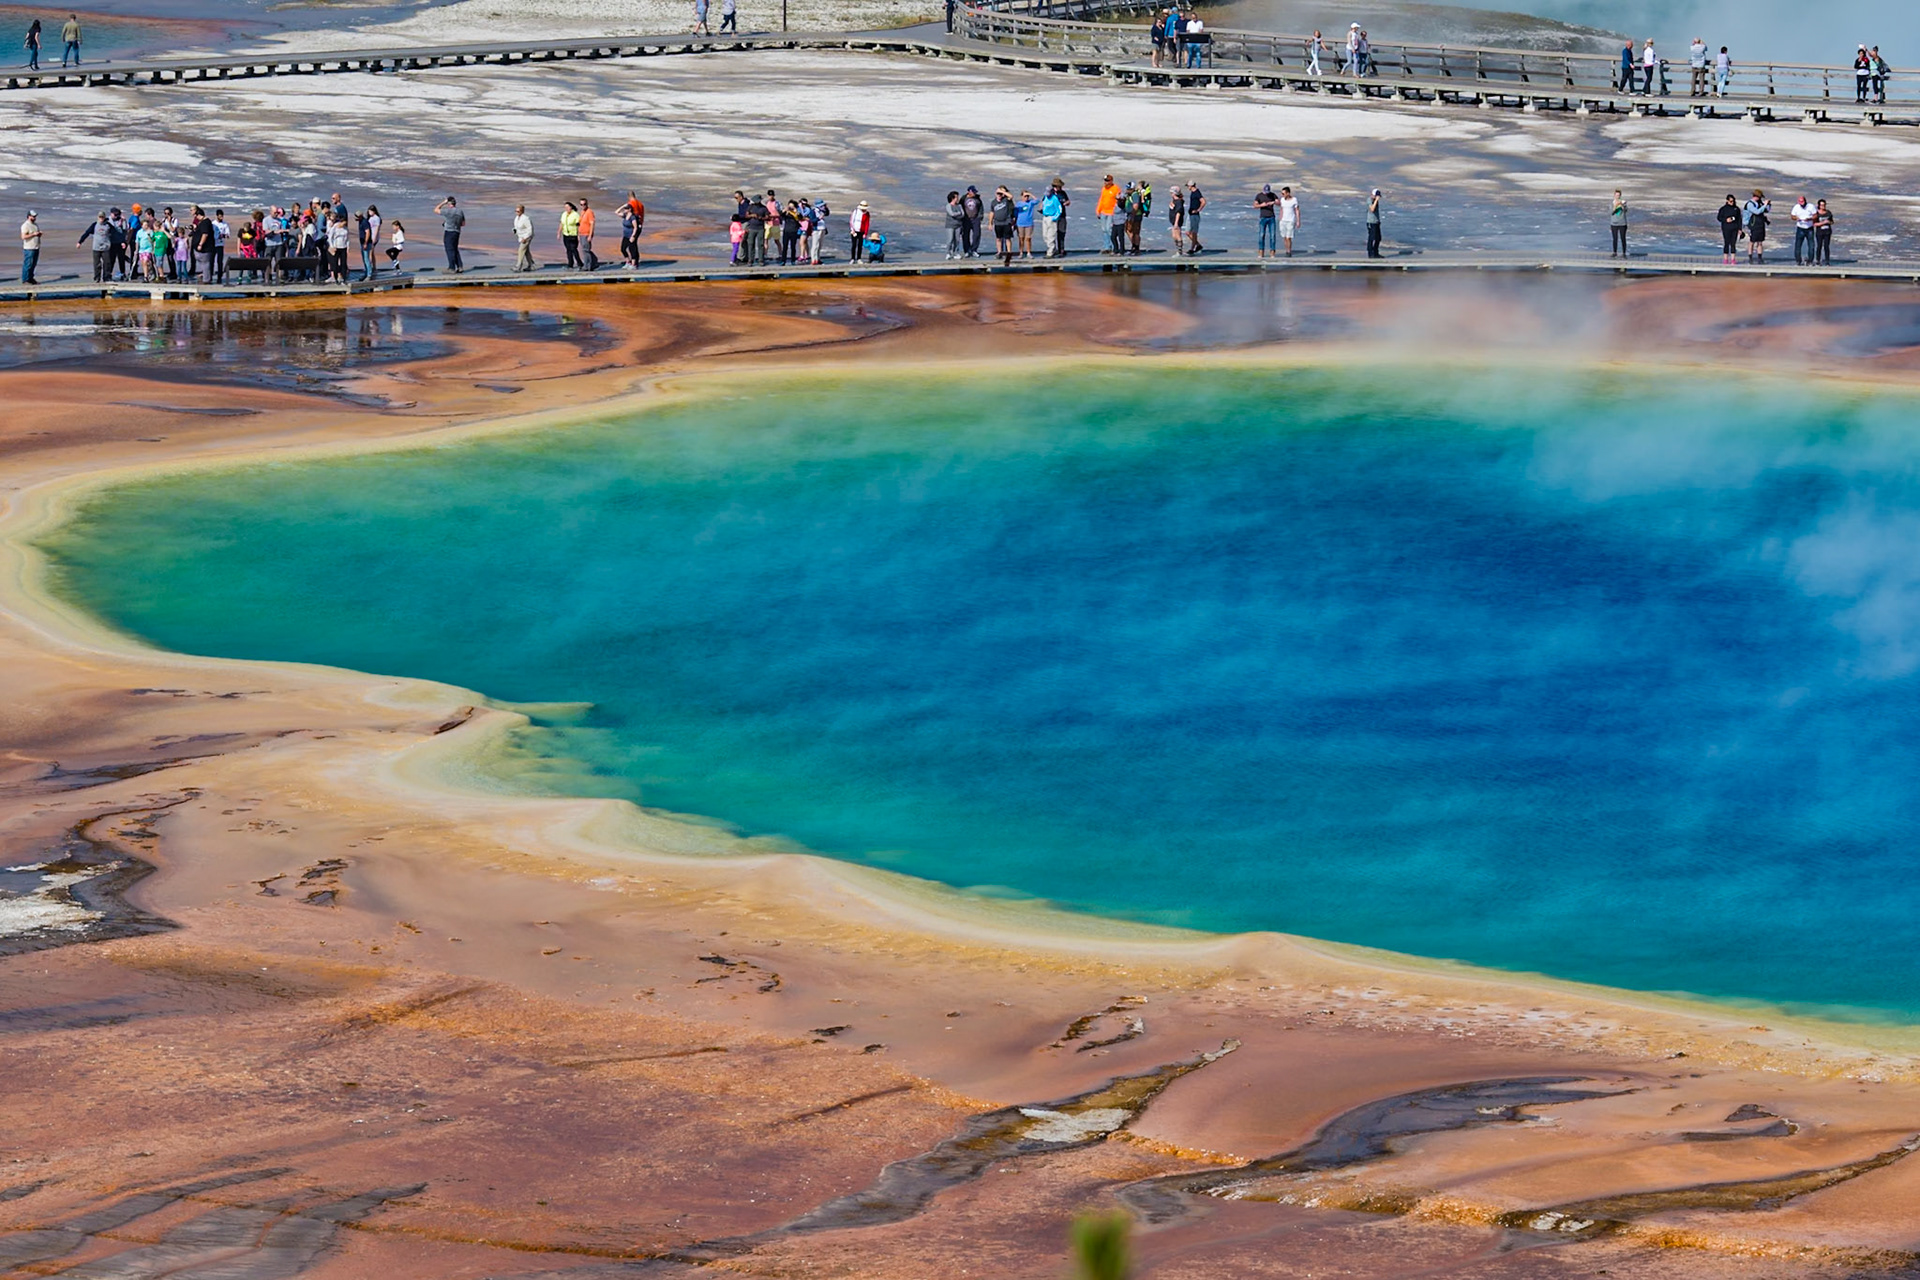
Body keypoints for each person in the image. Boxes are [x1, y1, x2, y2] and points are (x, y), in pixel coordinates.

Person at [79, 210, 112, 281]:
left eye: (102, 217)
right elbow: (87, 233)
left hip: (105, 247)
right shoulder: (94, 225)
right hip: (96, 248)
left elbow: (115, 234)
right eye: (100, 217)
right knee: (97, 264)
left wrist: (122, 242)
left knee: (107, 264)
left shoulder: (108, 225)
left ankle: (106, 277)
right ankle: (97, 278)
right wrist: (80, 242)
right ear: (98, 217)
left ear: (104, 217)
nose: (101, 218)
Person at [435, 196, 464, 272]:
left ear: (449, 204)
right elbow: (463, 223)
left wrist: (443, 202)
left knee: (449, 249)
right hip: (457, 231)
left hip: (449, 232)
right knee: (455, 249)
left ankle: (451, 267)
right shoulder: (460, 211)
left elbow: (436, 209)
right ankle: (460, 266)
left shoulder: (448, 211)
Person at [990, 185, 1015, 265]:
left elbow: (1011, 196)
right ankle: (999, 252)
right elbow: (992, 212)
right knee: (998, 238)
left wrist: (1002, 191)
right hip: (997, 222)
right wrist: (990, 223)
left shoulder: (1006, 200)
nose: (999, 195)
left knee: (1008, 238)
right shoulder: (993, 202)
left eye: (1000, 194)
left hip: (1006, 221)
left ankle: (1009, 252)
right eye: (998, 194)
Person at [1742, 189, 1769, 263]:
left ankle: (1760, 258)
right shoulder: (1750, 204)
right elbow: (1757, 212)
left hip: (1760, 224)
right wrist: (1765, 205)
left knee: (1760, 242)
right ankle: (1750, 258)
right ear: (1756, 196)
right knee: (1752, 242)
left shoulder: (1759, 203)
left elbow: (1766, 210)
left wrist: (1768, 205)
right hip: (1752, 224)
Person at [1097, 175, 1122, 254]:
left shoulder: (1115, 188)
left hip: (1111, 212)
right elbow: (1102, 199)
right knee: (1104, 230)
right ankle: (1106, 246)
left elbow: (1119, 200)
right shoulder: (1104, 189)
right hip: (1103, 212)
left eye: (1107, 181)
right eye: (1105, 181)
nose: (1106, 182)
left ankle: (1112, 246)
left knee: (1108, 229)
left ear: (1111, 181)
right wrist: (1098, 210)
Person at [1715, 193, 1742, 263]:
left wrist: (1740, 229)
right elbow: (1719, 218)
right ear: (1727, 201)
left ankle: (1733, 259)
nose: (1732, 202)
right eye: (1730, 201)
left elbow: (1739, 219)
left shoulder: (1736, 209)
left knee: (1733, 244)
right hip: (1726, 228)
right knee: (1726, 243)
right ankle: (1725, 259)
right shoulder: (1723, 209)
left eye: (1733, 201)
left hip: (1735, 228)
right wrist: (1726, 220)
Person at [1045, 179, 1069, 257]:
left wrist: (1066, 203)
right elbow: (1044, 201)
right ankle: (1053, 249)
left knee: (1061, 232)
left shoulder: (1063, 193)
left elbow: (1068, 201)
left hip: (1061, 216)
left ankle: (1061, 249)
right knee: (1051, 234)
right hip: (1053, 216)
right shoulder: (1050, 194)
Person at [1790, 195, 1816, 264]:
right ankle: (1798, 260)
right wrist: (1796, 218)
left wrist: (1810, 219)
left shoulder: (1811, 206)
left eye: (1803, 202)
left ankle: (1810, 260)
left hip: (1809, 228)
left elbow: (1815, 215)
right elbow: (1792, 216)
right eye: (1800, 202)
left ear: (1805, 201)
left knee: (1811, 245)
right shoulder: (1796, 207)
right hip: (1800, 228)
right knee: (1798, 245)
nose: (1802, 203)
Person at [1254, 183, 1277, 257]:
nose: (1266, 194)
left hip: (1271, 217)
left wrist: (1272, 202)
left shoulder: (1272, 195)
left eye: (1268, 192)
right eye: (1265, 192)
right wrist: (1262, 205)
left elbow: (1278, 202)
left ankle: (1272, 252)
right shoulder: (1259, 196)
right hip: (1263, 217)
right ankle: (1261, 252)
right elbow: (1255, 205)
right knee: (1261, 235)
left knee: (1272, 235)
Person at [1277, 185, 1300, 257]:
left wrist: (1298, 221)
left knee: (1288, 237)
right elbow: (1281, 209)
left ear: (1288, 193)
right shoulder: (1282, 200)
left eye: (1283, 193)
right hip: (1283, 220)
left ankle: (1289, 251)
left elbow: (1297, 210)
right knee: (1284, 236)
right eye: (1282, 194)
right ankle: (1286, 249)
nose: (1282, 195)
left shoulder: (1294, 200)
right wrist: (1280, 218)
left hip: (1290, 220)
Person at [1125, 179, 1147, 253]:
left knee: (1135, 232)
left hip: (1136, 215)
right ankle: (1134, 246)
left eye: (1129, 189)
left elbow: (1136, 206)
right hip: (1132, 215)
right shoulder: (1130, 195)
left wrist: (1132, 216)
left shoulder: (1135, 195)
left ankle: (1136, 247)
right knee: (1129, 230)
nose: (1127, 190)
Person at [1184, 180, 1205, 254]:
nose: (1188, 187)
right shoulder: (1193, 193)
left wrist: (1198, 210)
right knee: (1187, 232)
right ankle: (1198, 245)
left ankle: (1192, 249)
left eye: (1188, 186)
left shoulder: (1197, 193)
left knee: (1194, 233)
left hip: (1195, 215)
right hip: (1190, 215)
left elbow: (1203, 201)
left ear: (1191, 186)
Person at [1014, 188, 1035, 259]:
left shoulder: (1030, 203)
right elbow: (1015, 214)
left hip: (1029, 223)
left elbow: (1037, 200)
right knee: (1021, 238)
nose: (1026, 198)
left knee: (1028, 238)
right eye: (1025, 196)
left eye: (1027, 196)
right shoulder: (1018, 204)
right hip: (1020, 223)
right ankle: (1021, 252)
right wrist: (1014, 223)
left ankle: (1029, 252)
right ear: (1022, 196)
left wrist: (1030, 194)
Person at [359, 204, 378, 280]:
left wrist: (366, 242)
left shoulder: (364, 222)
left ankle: (369, 274)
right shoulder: (360, 221)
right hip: (362, 242)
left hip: (367, 242)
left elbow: (368, 232)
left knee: (367, 258)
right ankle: (366, 273)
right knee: (364, 258)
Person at [559, 200, 581, 268]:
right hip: (565, 234)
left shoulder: (575, 215)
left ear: (571, 207)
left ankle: (579, 263)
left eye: (567, 207)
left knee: (573, 249)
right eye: (565, 207)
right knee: (568, 250)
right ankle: (570, 263)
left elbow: (579, 225)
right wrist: (559, 232)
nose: (566, 209)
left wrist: (579, 235)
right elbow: (562, 223)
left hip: (573, 235)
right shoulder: (564, 214)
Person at [19, 210, 39, 284]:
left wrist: (38, 234)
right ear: (29, 216)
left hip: (36, 247)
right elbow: (23, 236)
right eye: (33, 216)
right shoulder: (25, 225)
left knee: (33, 264)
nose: (34, 218)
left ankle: (31, 278)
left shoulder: (35, 225)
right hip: (29, 248)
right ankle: (25, 279)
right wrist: (34, 234)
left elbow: (35, 234)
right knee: (28, 264)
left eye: (35, 216)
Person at [513, 204, 535, 271]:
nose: (517, 213)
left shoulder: (526, 219)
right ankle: (531, 265)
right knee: (526, 251)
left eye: (518, 211)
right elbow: (517, 227)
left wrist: (525, 238)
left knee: (521, 250)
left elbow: (530, 229)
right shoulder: (516, 218)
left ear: (522, 211)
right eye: (516, 211)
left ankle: (518, 266)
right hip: (521, 237)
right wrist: (515, 231)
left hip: (527, 237)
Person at [1167, 181, 1186, 255]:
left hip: (1177, 221)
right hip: (1173, 221)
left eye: (1171, 193)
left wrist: (1176, 223)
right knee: (1174, 236)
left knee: (1177, 235)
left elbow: (1178, 212)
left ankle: (1180, 251)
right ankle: (1178, 249)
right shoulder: (1174, 201)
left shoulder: (1178, 202)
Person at [579, 198, 597, 270]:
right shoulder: (582, 212)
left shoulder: (589, 212)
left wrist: (590, 235)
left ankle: (587, 266)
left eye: (584, 204)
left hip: (586, 234)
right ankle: (593, 261)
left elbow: (592, 224)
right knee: (584, 250)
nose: (583, 206)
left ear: (587, 204)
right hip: (581, 234)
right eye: (581, 204)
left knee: (586, 250)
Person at [1813, 198, 1834, 264]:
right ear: (1819, 205)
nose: (1823, 206)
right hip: (1819, 232)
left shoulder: (1828, 212)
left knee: (1826, 246)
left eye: (1824, 205)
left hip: (1827, 232)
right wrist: (1823, 223)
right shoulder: (1816, 213)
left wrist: (1829, 222)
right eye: (1822, 205)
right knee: (1819, 246)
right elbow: (1814, 224)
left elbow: (1832, 221)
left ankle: (1827, 260)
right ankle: (1818, 260)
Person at [1609, 189, 1628, 257]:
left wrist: (1622, 205)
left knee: (1623, 238)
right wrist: (1615, 205)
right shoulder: (1612, 203)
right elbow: (1611, 212)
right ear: (1614, 195)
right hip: (1614, 223)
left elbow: (1626, 210)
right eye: (1616, 195)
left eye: (1619, 195)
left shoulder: (1623, 202)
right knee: (1615, 238)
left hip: (1622, 223)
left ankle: (1624, 253)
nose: (1617, 196)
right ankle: (1615, 252)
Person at [1365, 187, 1383, 258]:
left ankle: (1376, 252)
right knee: (1371, 238)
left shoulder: (1375, 200)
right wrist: (1375, 201)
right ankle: (1370, 253)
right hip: (1371, 222)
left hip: (1376, 222)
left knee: (1378, 238)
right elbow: (1372, 209)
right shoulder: (1369, 200)